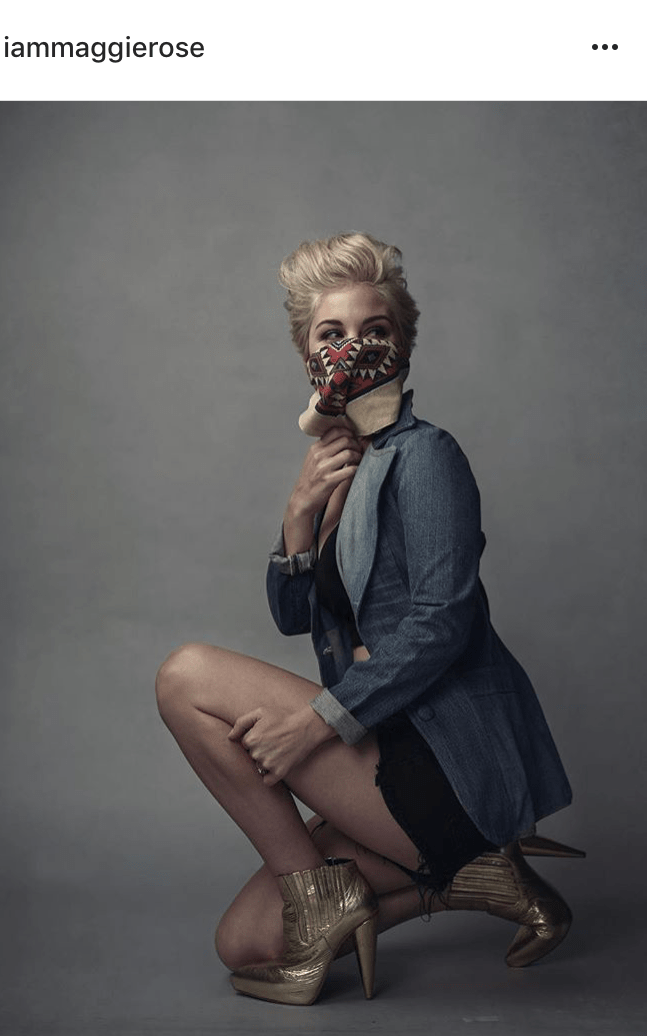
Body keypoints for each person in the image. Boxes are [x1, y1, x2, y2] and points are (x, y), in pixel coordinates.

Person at [155, 232, 582, 1006]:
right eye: (331, 333)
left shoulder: (425, 456)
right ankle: (467, 880)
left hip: (440, 761)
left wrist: (318, 721)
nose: (352, 348)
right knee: (243, 942)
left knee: (186, 677)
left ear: (402, 345)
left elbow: (443, 621)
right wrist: (298, 514)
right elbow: (296, 618)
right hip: (384, 745)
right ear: (306, 354)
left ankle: (444, 860)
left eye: (374, 330)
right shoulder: (346, 461)